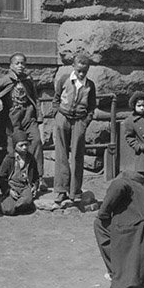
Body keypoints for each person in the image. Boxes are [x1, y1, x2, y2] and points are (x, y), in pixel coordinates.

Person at [94, 171, 144, 288]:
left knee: (99, 224)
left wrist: (103, 213)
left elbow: (119, 185)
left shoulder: (124, 183)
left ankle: (116, 271)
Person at [0, 52, 44, 181]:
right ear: (11, 65)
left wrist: (39, 116)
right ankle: (14, 177)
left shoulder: (28, 80)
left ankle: (38, 176)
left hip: (28, 115)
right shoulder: (5, 80)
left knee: (36, 141)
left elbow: (35, 98)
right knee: (14, 146)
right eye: (17, 63)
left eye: (23, 63)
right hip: (13, 117)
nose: (20, 66)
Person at [51, 52, 97, 205]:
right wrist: (58, 115)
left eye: (85, 71)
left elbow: (91, 106)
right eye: (79, 70)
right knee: (61, 153)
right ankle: (61, 190)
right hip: (63, 118)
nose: (81, 74)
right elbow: (56, 98)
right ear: (73, 67)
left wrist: (85, 122)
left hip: (79, 121)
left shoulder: (90, 85)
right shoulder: (64, 79)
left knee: (77, 155)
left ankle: (75, 190)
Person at [0, 129, 39, 217]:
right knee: (9, 210)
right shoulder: (9, 159)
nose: (24, 147)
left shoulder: (31, 158)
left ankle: (15, 206)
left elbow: (35, 176)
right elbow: (1, 178)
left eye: (26, 145)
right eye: (21, 145)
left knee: (27, 200)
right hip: (12, 186)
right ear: (15, 146)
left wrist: (35, 186)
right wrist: (9, 191)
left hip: (24, 186)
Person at [121, 90, 144, 189]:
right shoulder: (131, 121)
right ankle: (143, 197)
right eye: (139, 105)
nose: (142, 108)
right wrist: (138, 146)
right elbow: (129, 137)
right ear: (134, 106)